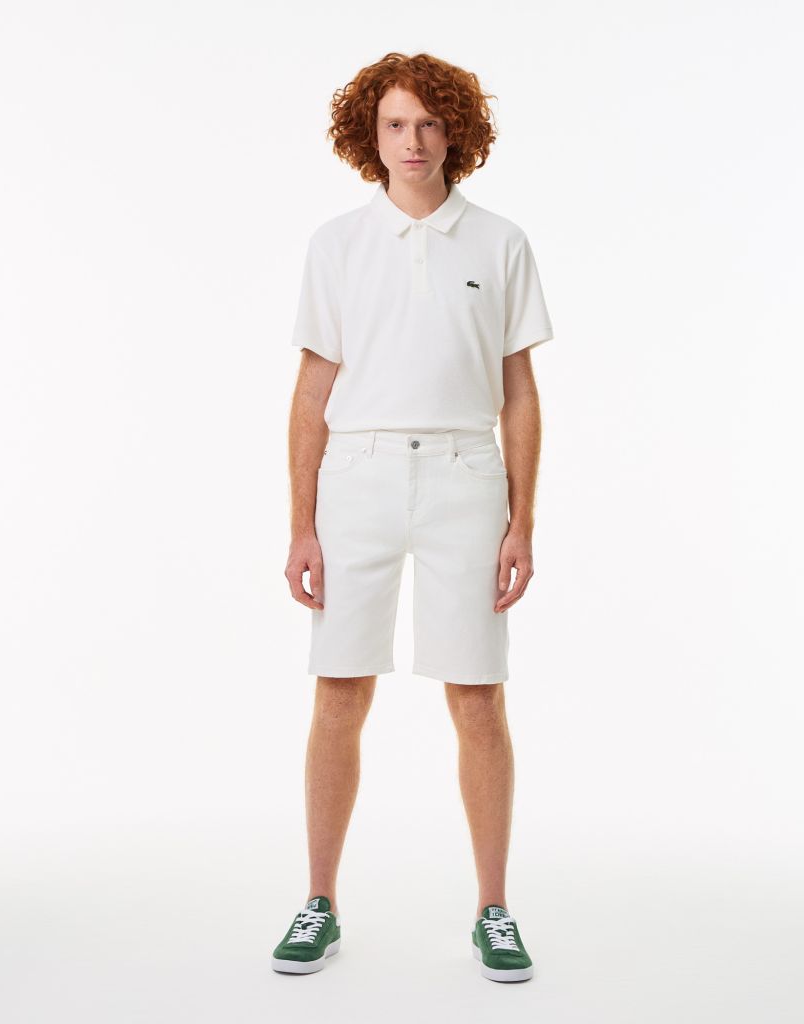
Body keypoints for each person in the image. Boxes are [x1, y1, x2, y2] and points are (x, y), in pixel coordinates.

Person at [273, 52, 554, 984]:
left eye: (430, 123)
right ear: (371, 134)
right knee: (339, 691)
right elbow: (312, 388)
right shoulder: (338, 245)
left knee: (477, 695)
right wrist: (302, 523)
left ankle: (494, 908)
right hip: (357, 475)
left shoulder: (500, 242)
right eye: (395, 124)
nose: (414, 141)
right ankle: (318, 901)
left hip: (467, 477)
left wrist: (521, 521)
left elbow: (519, 392)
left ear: (455, 132)